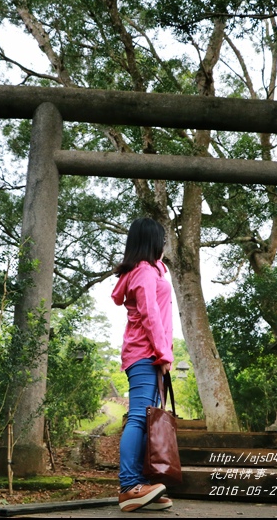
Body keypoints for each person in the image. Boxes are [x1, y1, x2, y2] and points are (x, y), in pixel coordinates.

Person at [111, 217, 174, 512]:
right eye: (160, 240)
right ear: (152, 242)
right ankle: (129, 485)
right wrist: (163, 355)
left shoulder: (149, 270)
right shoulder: (145, 273)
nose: (163, 245)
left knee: (146, 419)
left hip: (145, 354)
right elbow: (150, 315)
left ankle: (139, 487)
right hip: (146, 355)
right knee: (138, 418)